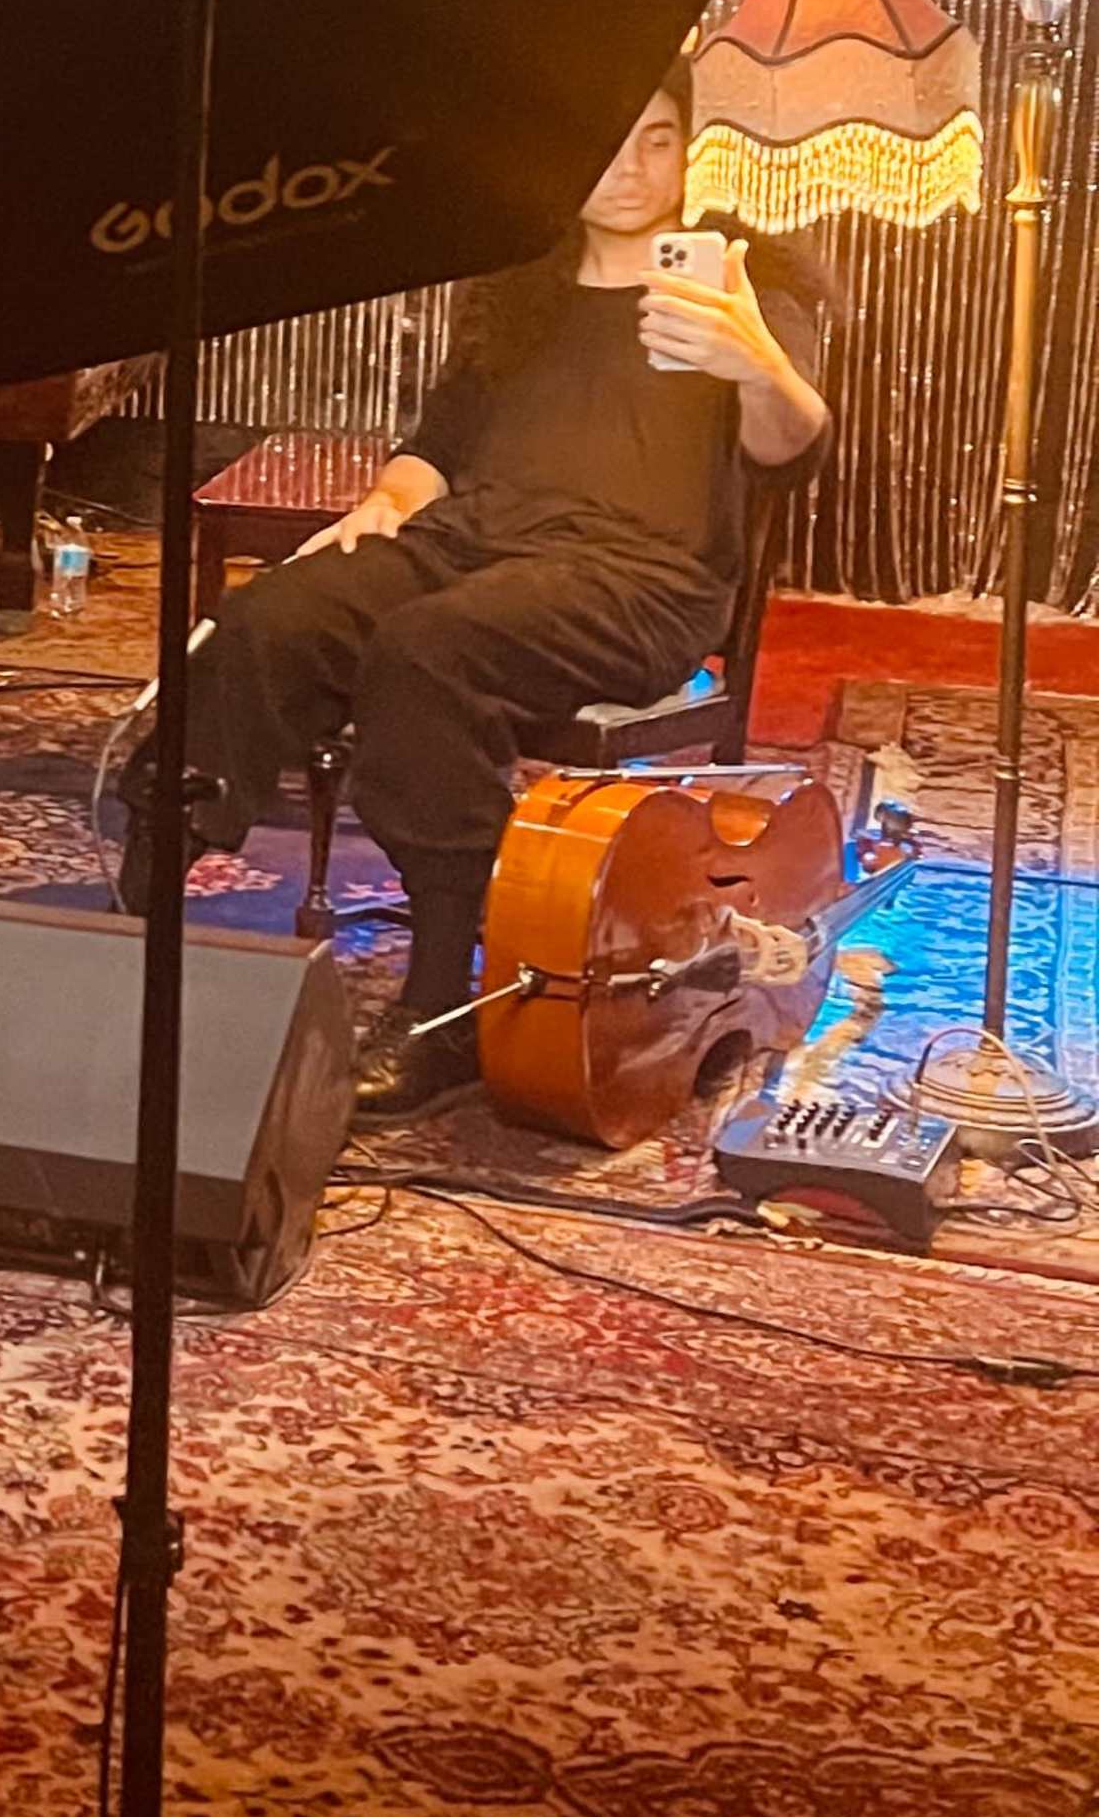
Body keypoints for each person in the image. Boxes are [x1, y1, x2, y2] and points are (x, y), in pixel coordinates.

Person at [129, 75, 831, 1117]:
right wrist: (382, 504)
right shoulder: (519, 283)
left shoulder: (737, 281)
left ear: (692, 149)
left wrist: (755, 358)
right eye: (609, 143)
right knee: (272, 614)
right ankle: (144, 897)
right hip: (479, 538)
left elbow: (792, 442)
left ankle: (440, 1002)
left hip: (638, 577)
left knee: (428, 648)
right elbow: (437, 448)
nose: (635, 169)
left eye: (660, 143)